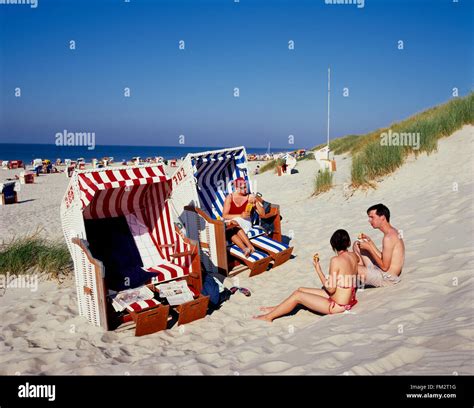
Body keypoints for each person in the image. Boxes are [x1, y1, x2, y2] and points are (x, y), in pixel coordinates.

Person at [254, 229, 359, 322]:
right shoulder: (353, 256)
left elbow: (331, 289)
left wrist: (318, 269)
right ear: (348, 242)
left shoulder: (336, 260)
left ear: (333, 246)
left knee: (298, 296)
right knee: (300, 289)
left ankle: (269, 317)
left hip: (337, 305)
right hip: (349, 299)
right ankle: (277, 308)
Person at [353, 203, 404, 288]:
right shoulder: (394, 231)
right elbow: (386, 258)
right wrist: (370, 243)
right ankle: (363, 278)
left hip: (388, 278)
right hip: (387, 272)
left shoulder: (388, 238)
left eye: (372, 217)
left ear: (383, 217)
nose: (369, 220)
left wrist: (369, 248)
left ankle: (361, 276)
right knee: (357, 244)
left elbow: (384, 267)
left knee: (350, 266)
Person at [222, 177, 265, 257]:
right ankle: (245, 249)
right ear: (236, 188)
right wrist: (240, 215)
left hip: (245, 222)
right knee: (230, 229)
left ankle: (250, 246)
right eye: (242, 188)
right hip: (233, 223)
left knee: (233, 224)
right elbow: (224, 215)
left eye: (246, 187)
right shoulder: (230, 198)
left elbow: (262, 214)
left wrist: (256, 202)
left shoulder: (250, 198)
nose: (245, 190)